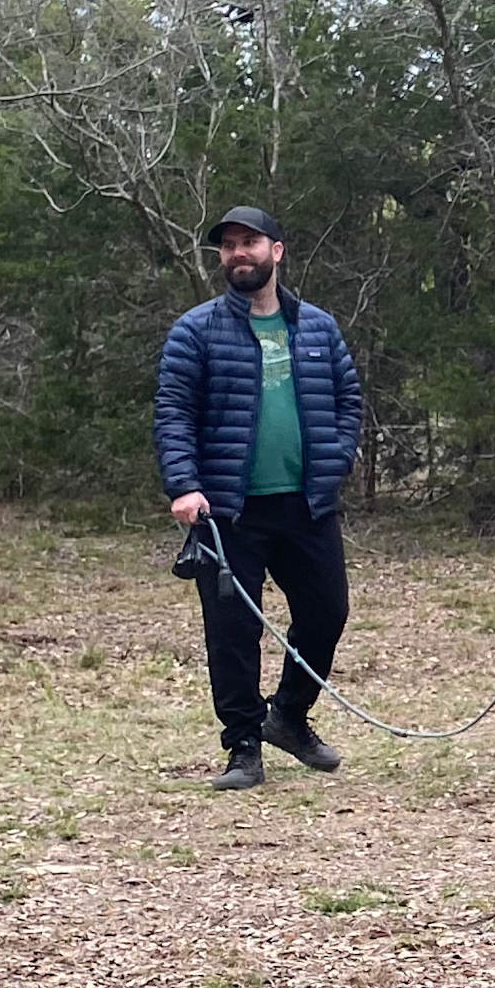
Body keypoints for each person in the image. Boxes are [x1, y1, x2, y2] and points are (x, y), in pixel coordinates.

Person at [156, 206, 365, 789]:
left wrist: (336, 458)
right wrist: (184, 485)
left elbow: (349, 399)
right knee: (232, 632)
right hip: (227, 510)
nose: (238, 253)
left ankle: (290, 717)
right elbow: (173, 413)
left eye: (250, 242)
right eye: (228, 246)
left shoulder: (318, 328)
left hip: (307, 505)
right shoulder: (195, 331)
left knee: (327, 613)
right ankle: (243, 746)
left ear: (277, 251)